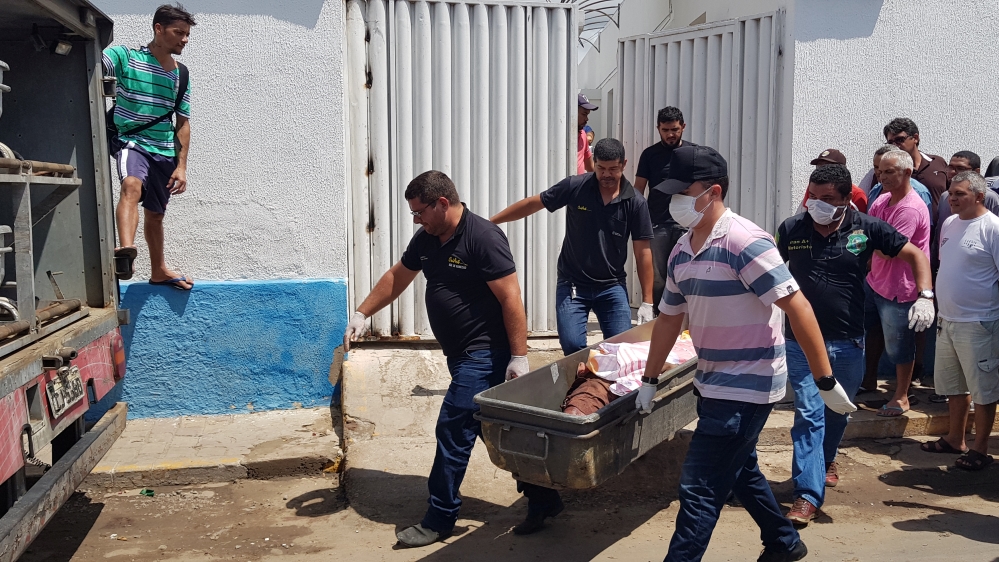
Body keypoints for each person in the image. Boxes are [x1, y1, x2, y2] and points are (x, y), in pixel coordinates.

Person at [635, 145, 855, 562]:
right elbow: (668, 319)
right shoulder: (682, 249)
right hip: (710, 381)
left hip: (748, 385)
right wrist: (649, 379)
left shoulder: (745, 242)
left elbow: (798, 307)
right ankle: (784, 543)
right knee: (740, 470)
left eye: (684, 191)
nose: (674, 200)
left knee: (699, 487)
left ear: (713, 192)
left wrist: (824, 380)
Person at [343, 171, 529, 547]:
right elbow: (399, 276)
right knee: (496, 431)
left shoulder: (483, 237)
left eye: (420, 212)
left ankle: (440, 518)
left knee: (453, 429)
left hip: (485, 354)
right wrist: (362, 313)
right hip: (460, 356)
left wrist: (519, 356)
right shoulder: (429, 237)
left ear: (442, 203)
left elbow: (511, 297)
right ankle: (544, 498)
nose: (416, 220)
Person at [491, 138, 654, 534]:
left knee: (624, 354)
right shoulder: (576, 186)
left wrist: (648, 300)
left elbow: (643, 251)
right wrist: (492, 222)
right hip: (574, 285)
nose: (607, 175)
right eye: (602, 168)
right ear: (593, 163)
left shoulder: (634, 201)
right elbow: (534, 203)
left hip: (612, 287)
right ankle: (579, 408)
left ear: (624, 165)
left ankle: (618, 417)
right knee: (573, 347)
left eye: (614, 169)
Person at [776, 164, 933, 524]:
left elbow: (915, 254)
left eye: (827, 198)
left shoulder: (867, 228)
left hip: (849, 342)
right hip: (800, 343)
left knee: (838, 412)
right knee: (809, 415)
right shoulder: (792, 228)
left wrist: (925, 295)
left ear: (847, 198)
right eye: (812, 196)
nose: (816, 204)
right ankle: (806, 495)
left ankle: (825, 459)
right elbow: (767, 268)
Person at [103, 3, 195, 290]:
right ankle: (125, 252)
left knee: (155, 214)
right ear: (158, 29)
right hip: (132, 142)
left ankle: (158, 271)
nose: (184, 39)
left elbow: (183, 123)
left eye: (187, 34)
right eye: (179, 32)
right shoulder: (125, 58)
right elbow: (90, 61)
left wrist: (181, 167)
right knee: (131, 185)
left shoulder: (181, 74)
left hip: (164, 150)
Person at [922, 171, 999, 471]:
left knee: (984, 390)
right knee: (954, 386)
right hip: (947, 321)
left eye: (959, 194)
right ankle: (956, 439)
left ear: (979, 196)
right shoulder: (950, 223)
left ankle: (980, 448)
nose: (951, 199)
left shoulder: (992, 228)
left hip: (980, 323)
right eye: (951, 193)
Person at [863, 149, 935, 416]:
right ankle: (868, 380)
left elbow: (887, 250)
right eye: (880, 171)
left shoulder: (910, 208)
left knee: (900, 346)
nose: (882, 176)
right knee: (872, 332)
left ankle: (902, 396)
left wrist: (872, 244)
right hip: (876, 281)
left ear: (907, 172)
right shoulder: (882, 199)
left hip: (900, 288)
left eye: (889, 171)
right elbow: (867, 234)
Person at [634, 107, 698, 314]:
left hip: (687, 223)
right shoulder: (649, 155)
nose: (670, 134)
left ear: (683, 127)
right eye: (665, 130)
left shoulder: (694, 153)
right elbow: (638, 189)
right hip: (657, 223)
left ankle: (688, 319)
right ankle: (659, 318)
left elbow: (705, 187)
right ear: (658, 129)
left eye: (675, 129)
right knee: (659, 276)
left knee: (687, 272)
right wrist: (636, 219)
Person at [883, 117, 949, 212]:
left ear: (915, 138)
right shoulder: (885, 170)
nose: (895, 145)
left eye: (899, 139)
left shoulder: (938, 163)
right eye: (890, 142)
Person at [797, 149, 868, 212]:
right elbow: (804, 213)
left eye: (828, 167)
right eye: (819, 167)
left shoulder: (858, 195)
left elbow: (858, 220)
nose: (823, 170)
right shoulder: (813, 188)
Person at [938, 151, 999, 219]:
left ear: (976, 172)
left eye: (960, 168)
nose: (952, 172)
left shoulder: (989, 197)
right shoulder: (944, 196)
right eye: (950, 167)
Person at [577, 94, 597, 174]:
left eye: (587, 115)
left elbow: (590, 168)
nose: (587, 119)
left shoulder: (582, 135)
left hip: (578, 182)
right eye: (584, 114)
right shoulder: (557, 137)